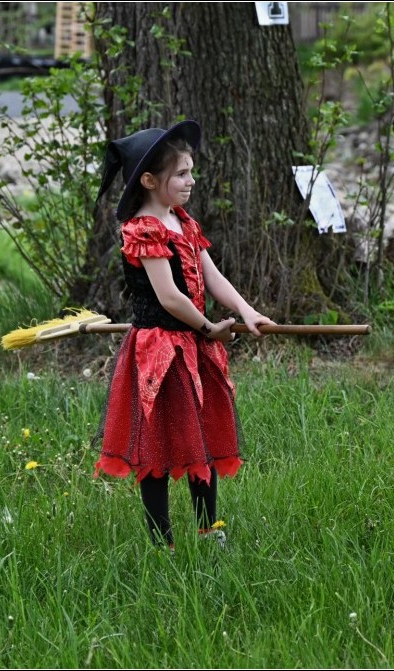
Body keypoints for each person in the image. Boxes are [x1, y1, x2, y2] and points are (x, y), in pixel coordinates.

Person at [92, 120, 274, 549]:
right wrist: (210, 328)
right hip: (158, 351)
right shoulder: (144, 229)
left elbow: (213, 278)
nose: (191, 181)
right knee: (155, 448)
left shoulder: (182, 222)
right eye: (182, 174)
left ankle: (209, 532)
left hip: (194, 346)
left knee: (203, 437)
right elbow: (170, 297)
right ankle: (163, 544)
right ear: (151, 180)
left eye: (191, 172)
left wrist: (247, 312)